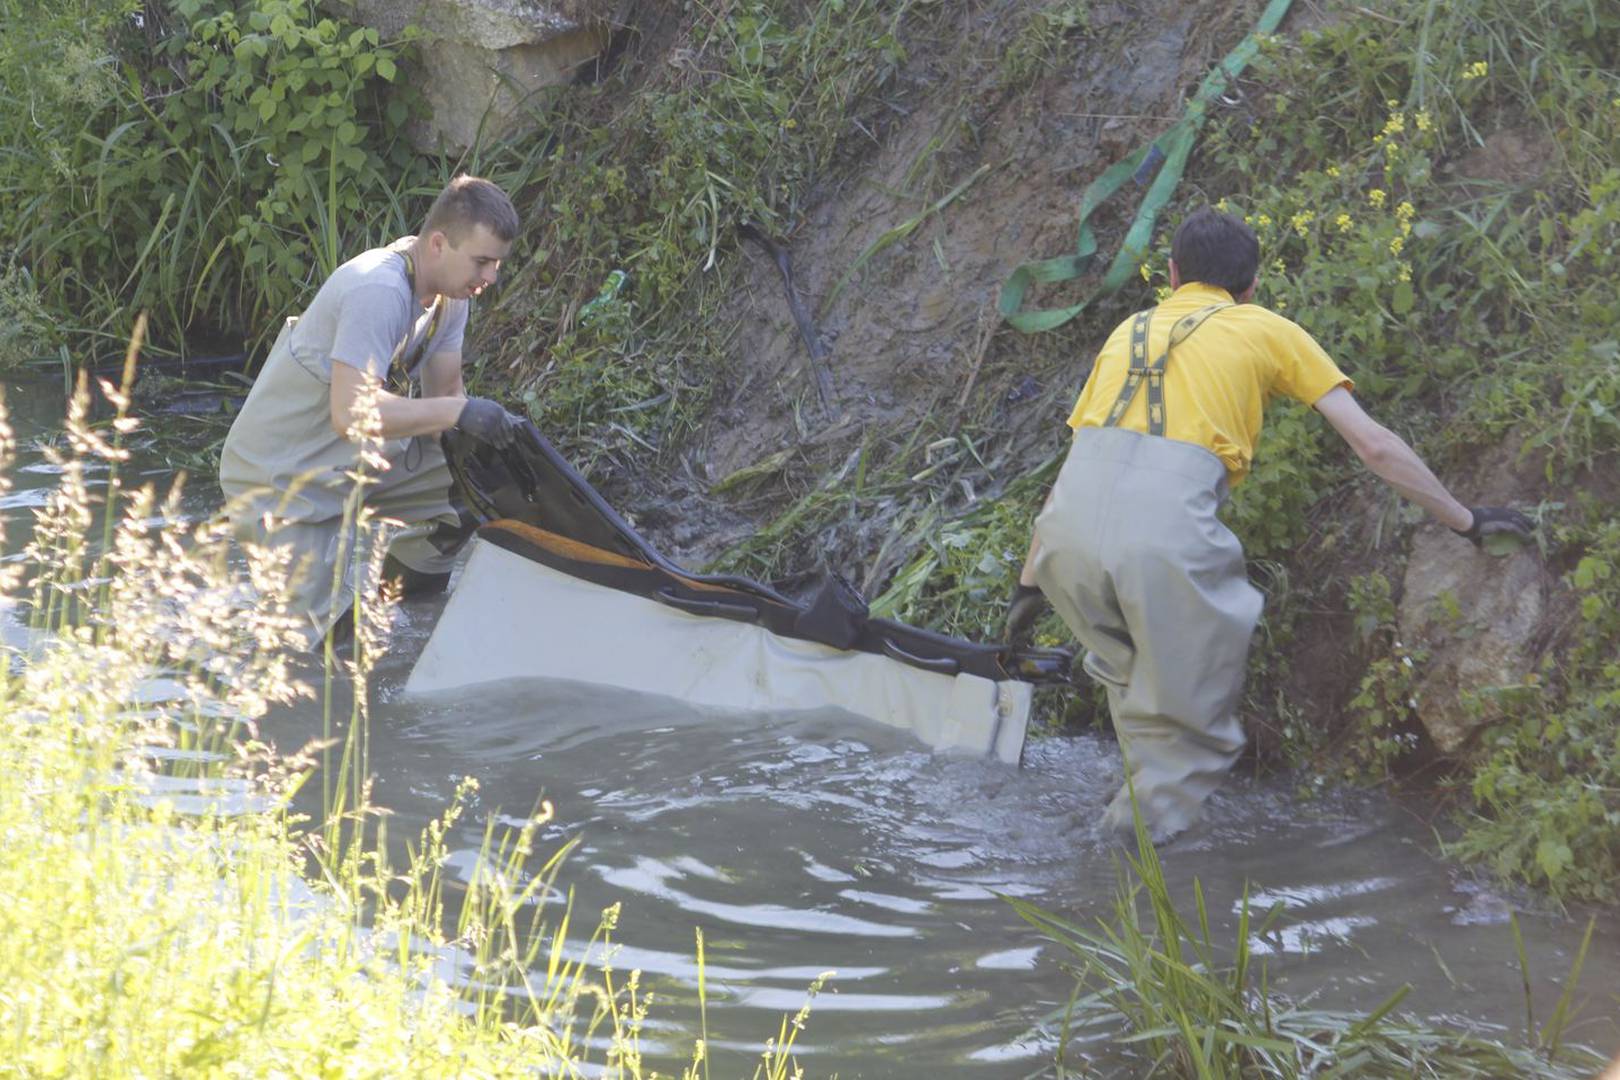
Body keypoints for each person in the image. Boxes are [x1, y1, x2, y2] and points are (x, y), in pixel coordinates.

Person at [1005, 206, 1534, 841]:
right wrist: (1467, 519)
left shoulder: (1128, 333)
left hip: (1066, 539)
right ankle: (1124, 882)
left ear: (1172, 275)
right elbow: (1374, 447)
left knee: (1135, 688)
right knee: (1191, 734)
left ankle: (1116, 839)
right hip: (1161, 538)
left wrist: (1028, 590)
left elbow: (1074, 474)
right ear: (1252, 287)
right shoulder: (1265, 329)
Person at [219, 175, 526, 648]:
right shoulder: (376, 289)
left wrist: (487, 449)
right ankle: (337, 645)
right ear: (439, 244)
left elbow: (445, 395)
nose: (490, 278)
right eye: (482, 262)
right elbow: (354, 413)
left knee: (471, 491)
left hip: (354, 462)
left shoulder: (451, 297)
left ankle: (398, 619)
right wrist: (461, 412)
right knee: (315, 656)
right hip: (279, 481)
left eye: (497, 265)